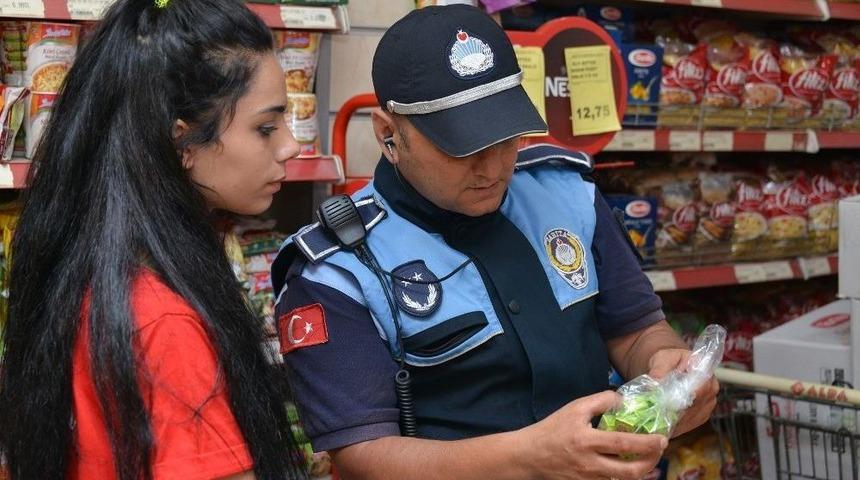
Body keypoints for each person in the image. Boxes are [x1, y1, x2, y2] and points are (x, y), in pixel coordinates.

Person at [272, 4, 719, 479]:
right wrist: (530, 457)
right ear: (389, 133)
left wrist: (664, 365)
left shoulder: (566, 196)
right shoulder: (338, 270)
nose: (492, 169)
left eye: (505, 138)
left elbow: (634, 331)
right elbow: (364, 456)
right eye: (461, 147)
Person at [0, 0, 307, 479]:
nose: (290, 145)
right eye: (265, 127)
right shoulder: (161, 321)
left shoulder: (93, 268)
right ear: (182, 143)